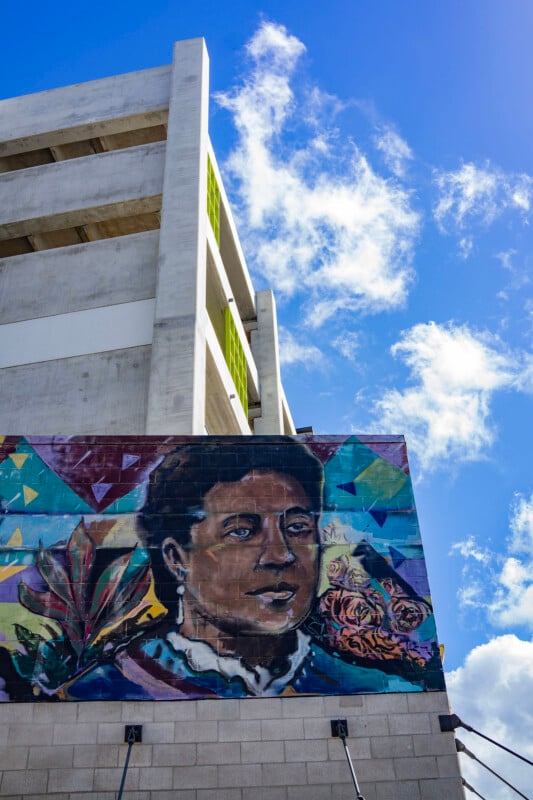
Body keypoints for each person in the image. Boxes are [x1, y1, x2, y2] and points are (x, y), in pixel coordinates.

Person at [69, 437, 422, 700]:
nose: (280, 555)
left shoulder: (369, 687)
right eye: (241, 531)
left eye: (298, 527)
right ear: (177, 558)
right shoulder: (102, 689)